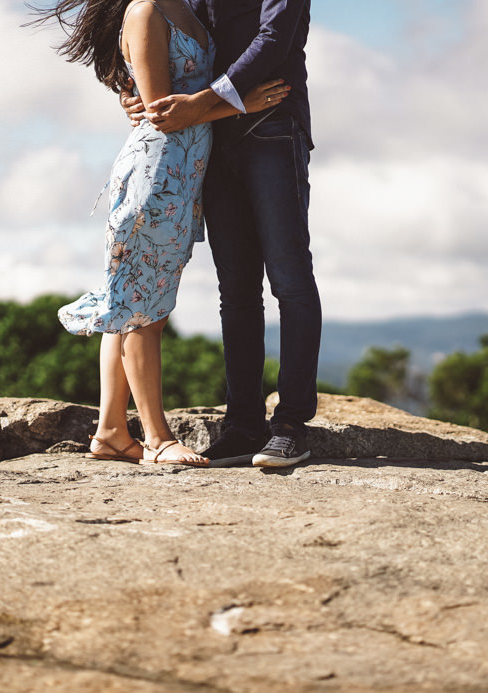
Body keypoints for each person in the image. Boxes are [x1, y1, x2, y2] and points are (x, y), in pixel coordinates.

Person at [29, 0, 289, 465]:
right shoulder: (146, 11)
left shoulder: (185, 8)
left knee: (129, 301)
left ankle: (111, 432)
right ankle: (157, 438)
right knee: (144, 313)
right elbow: (162, 113)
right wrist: (240, 104)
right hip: (156, 175)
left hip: (181, 178)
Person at [124, 0, 321, 467]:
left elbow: (273, 39)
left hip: (271, 123)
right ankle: (244, 427)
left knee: (290, 278)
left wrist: (203, 101)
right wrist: (135, 90)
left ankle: (291, 426)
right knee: (235, 290)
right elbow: (171, 32)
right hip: (211, 138)